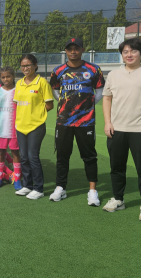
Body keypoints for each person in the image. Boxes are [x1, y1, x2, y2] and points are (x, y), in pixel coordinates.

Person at [102, 38, 141, 222]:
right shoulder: (114, 74)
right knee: (116, 167)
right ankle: (118, 199)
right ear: (121, 54)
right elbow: (107, 98)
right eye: (125, 52)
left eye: (133, 51)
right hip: (116, 129)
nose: (129, 55)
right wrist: (108, 122)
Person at [49, 38, 105, 206]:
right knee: (62, 156)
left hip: (86, 121)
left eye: (76, 48)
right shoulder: (58, 70)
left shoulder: (93, 69)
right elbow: (55, 90)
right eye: (70, 49)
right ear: (66, 51)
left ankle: (93, 191)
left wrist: (88, 106)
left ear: (82, 49)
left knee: (89, 157)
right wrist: (67, 106)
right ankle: (60, 188)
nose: (73, 51)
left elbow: (101, 90)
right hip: (64, 121)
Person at [13, 54, 54, 200]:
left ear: (35, 65)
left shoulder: (42, 82)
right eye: (23, 66)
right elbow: (17, 104)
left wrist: (36, 113)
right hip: (21, 126)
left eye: (28, 65)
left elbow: (49, 104)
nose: (25, 68)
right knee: (23, 157)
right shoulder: (19, 83)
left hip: (36, 126)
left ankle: (39, 188)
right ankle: (27, 185)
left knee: (33, 156)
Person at [0, 66, 21, 190]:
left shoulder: (18, 90)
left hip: (14, 128)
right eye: (3, 77)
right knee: (1, 152)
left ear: (13, 76)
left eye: (8, 76)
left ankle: (17, 179)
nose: (5, 79)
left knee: (15, 152)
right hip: (0, 128)